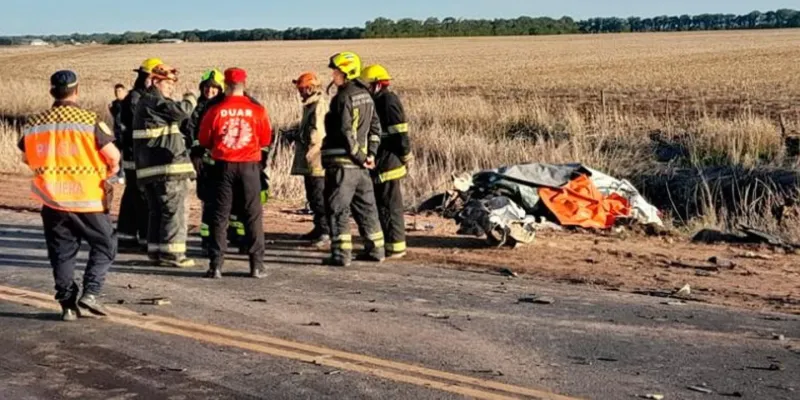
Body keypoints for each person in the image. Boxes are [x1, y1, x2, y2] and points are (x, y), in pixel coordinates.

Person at [19, 70, 120, 321]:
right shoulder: (89, 120)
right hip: (87, 198)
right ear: (77, 91)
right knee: (106, 244)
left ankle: (67, 305)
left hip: (52, 199)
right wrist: (112, 171)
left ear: (52, 91)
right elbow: (113, 156)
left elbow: (26, 157)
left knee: (62, 253)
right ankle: (90, 295)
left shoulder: (34, 123)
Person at [198, 67, 272, 279]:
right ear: (244, 84)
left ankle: (216, 265)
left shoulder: (215, 110)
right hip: (250, 166)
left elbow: (204, 139)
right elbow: (266, 138)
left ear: (225, 85)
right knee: (253, 215)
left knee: (220, 216)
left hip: (223, 166)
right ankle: (256, 266)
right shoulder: (257, 110)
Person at [321, 52, 385, 267]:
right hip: (362, 168)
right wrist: (371, 155)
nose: (333, 75)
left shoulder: (343, 97)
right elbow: (376, 128)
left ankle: (341, 255)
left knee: (338, 209)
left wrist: (359, 156)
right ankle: (376, 249)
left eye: (336, 71)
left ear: (347, 72)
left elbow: (346, 132)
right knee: (367, 208)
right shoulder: (366, 95)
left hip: (343, 165)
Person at [132, 63, 197, 268]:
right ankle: (173, 255)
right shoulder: (155, 100)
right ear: (156, 81)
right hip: (167, 168)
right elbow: (181, 112)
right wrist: (190, 98)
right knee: (173, 212)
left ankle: (157, 252)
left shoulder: (147, 101)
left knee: (157, 212)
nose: (171, 88)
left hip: (152, 170)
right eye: (168, 83)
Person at [361, 65, 413, 259]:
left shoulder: (388, 101)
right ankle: (387, 244)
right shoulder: (375, 101)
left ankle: (396, 247)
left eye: (366, 85)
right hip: (380, 161)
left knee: (390, 207)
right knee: (381, 206)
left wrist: (405, 156)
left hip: (389, 161)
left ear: (377, 84)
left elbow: (400, 134)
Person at [117, 58, 161, 252]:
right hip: (136, 156)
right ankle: (144, 236)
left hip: (136, 154)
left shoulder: (138, 96)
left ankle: (126, 235)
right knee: (142, 195)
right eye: (153, 78)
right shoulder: (137, 98)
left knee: (132, 194)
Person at [185, 69, 227, 253]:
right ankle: (207, 237)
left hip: (221, 161)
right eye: (207, 87)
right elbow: (190, 132)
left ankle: (224, 236)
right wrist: (196, 153)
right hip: (204, 162)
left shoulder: (224, 107)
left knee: (223, 199)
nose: (210, 91)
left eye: (214, 88)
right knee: (206, 199)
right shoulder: (199, 108)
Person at [290, 72, 329, 247]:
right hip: (310, 158)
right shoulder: (310, 105)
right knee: (312, 196)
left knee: (318, 196)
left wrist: (301, 137)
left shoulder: (318, 106)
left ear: (310, 88)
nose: (300, 92)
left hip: (316, 158)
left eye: (302, 88)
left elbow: (317, 134)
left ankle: (325, 231)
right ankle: (318, 228)